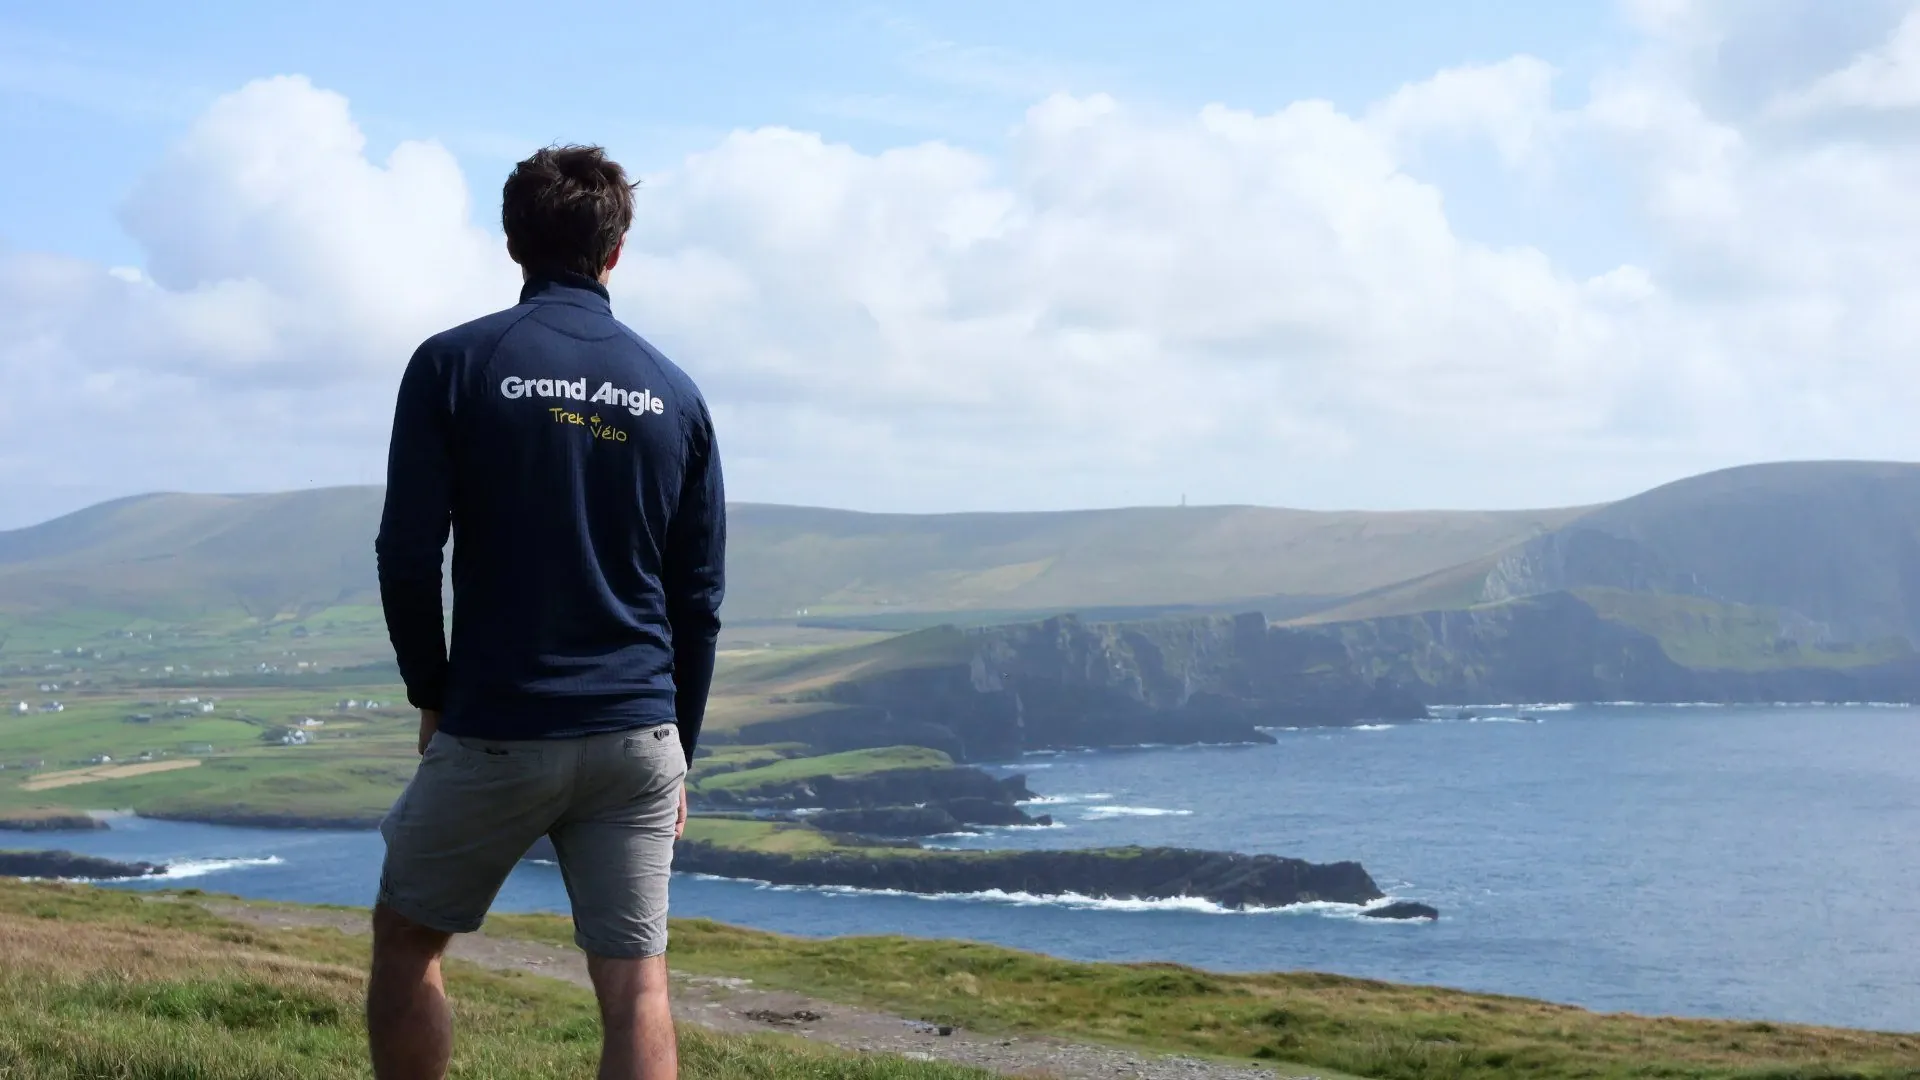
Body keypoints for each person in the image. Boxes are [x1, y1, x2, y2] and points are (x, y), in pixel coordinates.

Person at [367, 144, 725, 1080]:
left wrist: (431, 694)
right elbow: (699, 597)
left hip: (499, 723)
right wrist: (678, 742)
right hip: (639, 734)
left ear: (513, 240)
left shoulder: (455, 363)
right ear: (616, 251)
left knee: (408, 940)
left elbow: (408, 553)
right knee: (637, 984)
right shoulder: (676, 394)